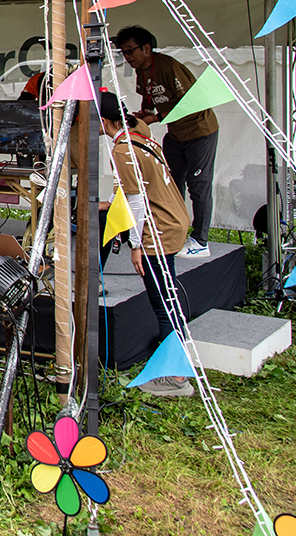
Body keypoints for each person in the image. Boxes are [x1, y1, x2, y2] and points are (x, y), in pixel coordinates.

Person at [98, 92, 195, 397]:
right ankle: (174, 365)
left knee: (163, 303)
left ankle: (175, 377)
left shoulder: (123, 150)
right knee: (168, 296)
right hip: (173, 219)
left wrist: (136, 244)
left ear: (102, 122)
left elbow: (135, 201)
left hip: (158, 229)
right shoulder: (139, 133)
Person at [114, 26, 218, 258]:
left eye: (130, 51)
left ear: (147, 48)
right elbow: (149, 98)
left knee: (199, 185)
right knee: (170, 182)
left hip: (199, 130)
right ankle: (173, 232)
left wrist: (156, 117)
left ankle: (201, 240)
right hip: (176, 133)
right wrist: (143, 114)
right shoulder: (142, 69)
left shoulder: (169, 67)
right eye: (123, 52)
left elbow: (192, 101)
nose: (127, 57)